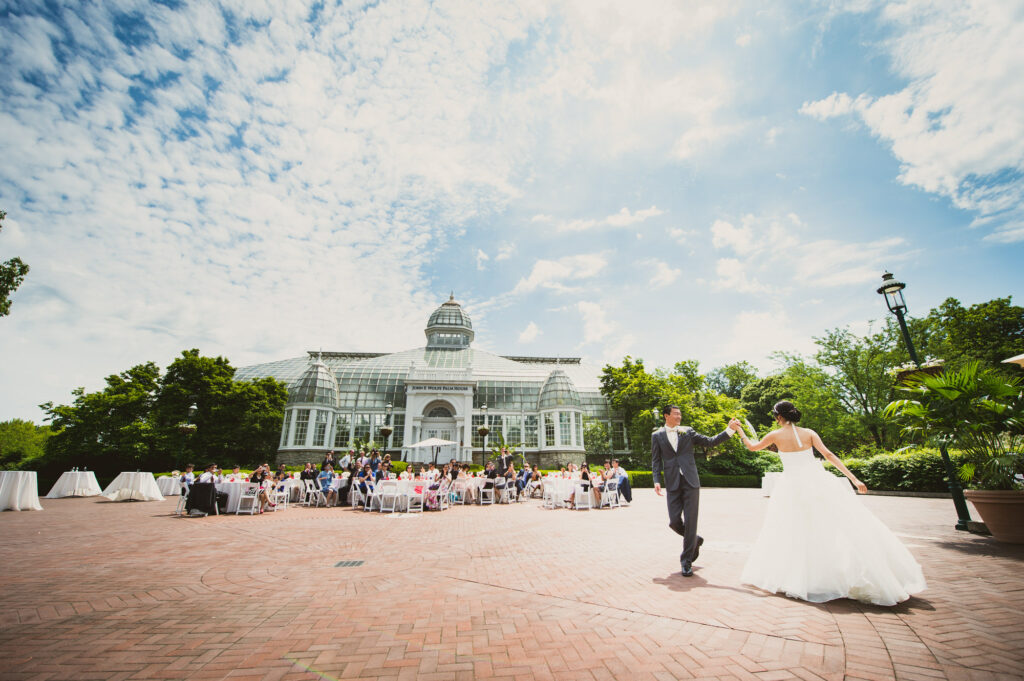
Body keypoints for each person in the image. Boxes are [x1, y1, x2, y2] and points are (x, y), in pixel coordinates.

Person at [737, 401, 926, 605]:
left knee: (794, 531)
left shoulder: (775, 435)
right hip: (819, 481)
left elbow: (752, 447)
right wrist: (854, 479)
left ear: (778, 417)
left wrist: (739, 429)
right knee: (838, 526)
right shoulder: (809, 432)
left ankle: (806, 577)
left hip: (792, 487)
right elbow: (828, 455)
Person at [652, 405, 741, 577]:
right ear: (666, 416)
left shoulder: (688, 431)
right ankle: (695, 539)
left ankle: (686, 562)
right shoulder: (657, 436)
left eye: (680, 413)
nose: (679, 416)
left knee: (691, 521)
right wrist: (656, 480)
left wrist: (729, 430)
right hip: (672, 483)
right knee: (674, 521)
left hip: (691, 481)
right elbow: (656, 460)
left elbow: (710, 441)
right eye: (676, 414)